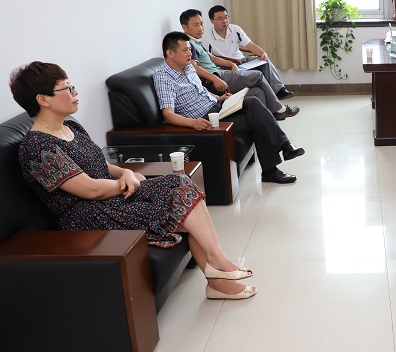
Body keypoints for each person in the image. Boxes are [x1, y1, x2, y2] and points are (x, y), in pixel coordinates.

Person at [11, 61, 256, 300]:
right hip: (87, 215)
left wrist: (125, 173)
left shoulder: (71, 127)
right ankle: (218, 273)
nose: (75, 92)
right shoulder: (37, 148)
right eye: (67, 88)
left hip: (112, 196)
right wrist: (128, 184)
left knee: (180, 184)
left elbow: (101, 164)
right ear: (43, 99)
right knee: (180, 206)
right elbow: (89, 189)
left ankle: (216, 266)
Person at [154, 31, 304, 184]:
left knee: (252, 102)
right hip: (205, 119)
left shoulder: (188, 68)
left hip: (217, 107)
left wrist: (219, 97)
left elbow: (201, 91)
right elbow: (168, 115)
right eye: (185, 50)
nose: (190, 53)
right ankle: (277, 160)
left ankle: (284, 148)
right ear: (170, 53)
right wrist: (193, 123)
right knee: (256, 117)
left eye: (190, 49)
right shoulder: (164, 79)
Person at [180, 9, 298, 121]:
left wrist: (231, 64)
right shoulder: (189, 45)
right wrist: (215, 79)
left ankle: (267, 121)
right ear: (184, 27)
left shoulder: (197, 42)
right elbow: (193, 67)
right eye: (196, 25)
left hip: (223, 73)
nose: (201, 28)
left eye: (201, 24)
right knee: (258, 75)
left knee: (258, 92)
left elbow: (213, 58)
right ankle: (280, 109)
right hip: (217, 78)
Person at [202, 4, 294, 99]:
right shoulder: (207, 39)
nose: (224, 21)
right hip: (227, 67)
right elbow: (210, 59)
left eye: (226, 17)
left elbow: (250, 45)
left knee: (264, 61)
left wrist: (263, 53)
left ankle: (279, 90)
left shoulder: (235, 29)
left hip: (242, 61)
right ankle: (271, 96)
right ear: (212, 21)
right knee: (257, 73)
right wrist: (230, 64)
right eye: (220, 19)